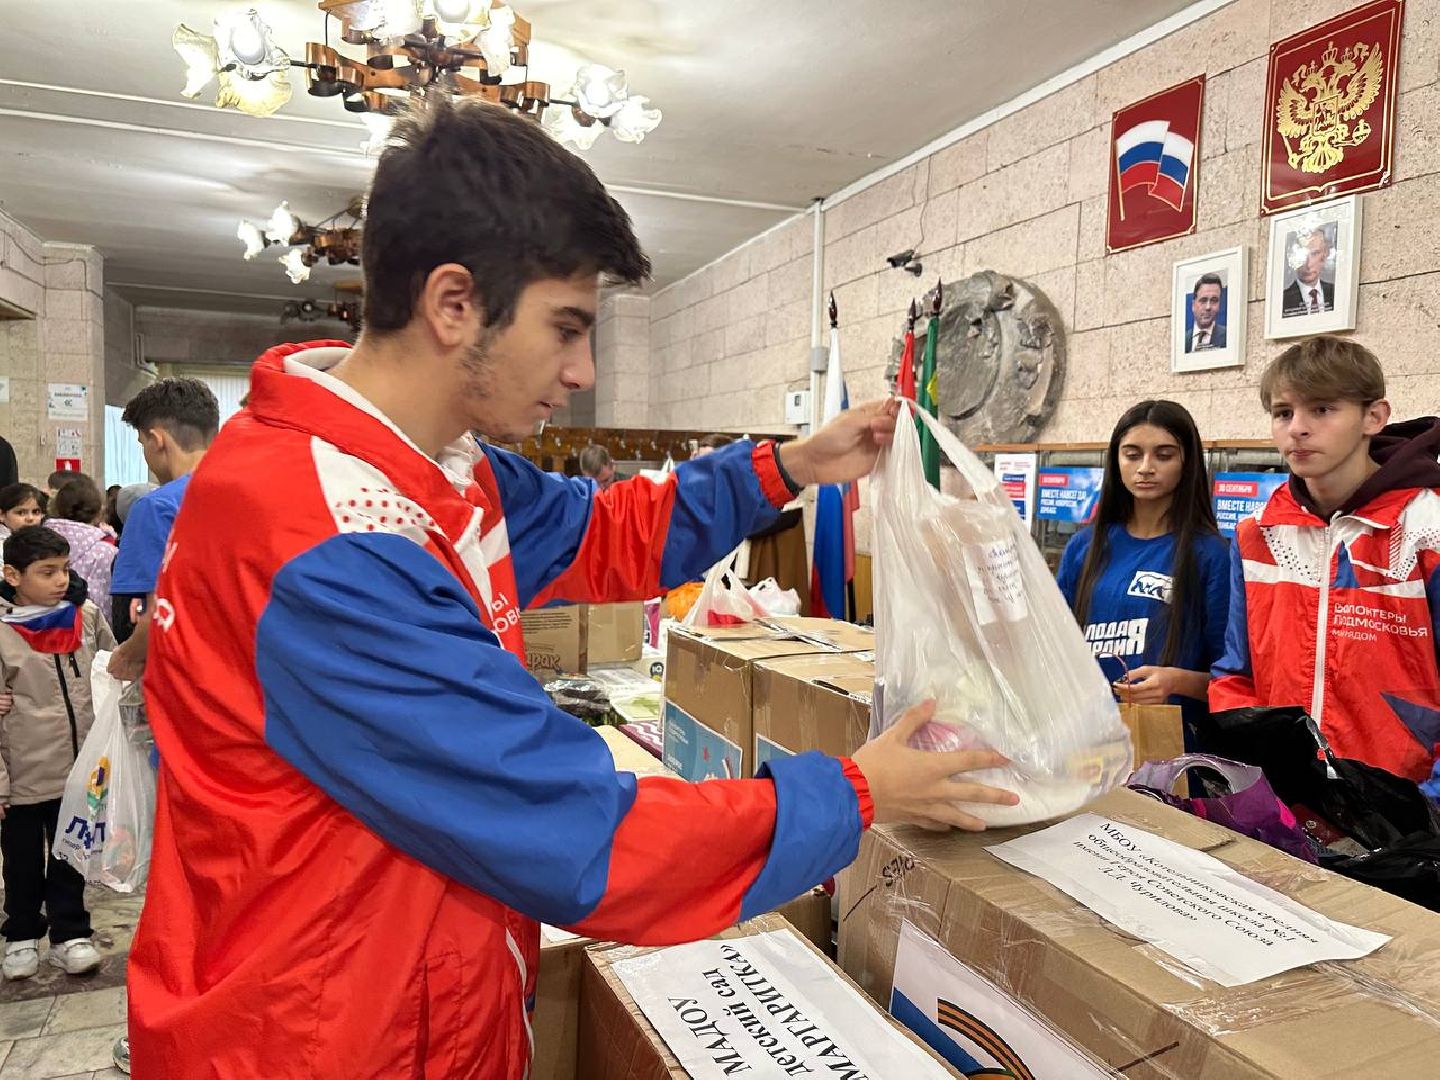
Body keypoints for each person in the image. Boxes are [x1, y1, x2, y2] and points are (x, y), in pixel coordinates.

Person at [125, 96, 1019, 1078]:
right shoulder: (327, 543)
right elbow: (582, 835)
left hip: (407, 980)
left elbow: (603, 530)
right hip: (317, 1032)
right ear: (454, 304)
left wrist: (789, 466)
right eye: (566, 328)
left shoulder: (434, 464)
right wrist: (856, 792)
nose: (585, 370)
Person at [1212, 337, 1440, 783]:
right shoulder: (1256, 532)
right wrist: (1249, 775)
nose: (1297, 428)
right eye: (1283, 413)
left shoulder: (1428, 530)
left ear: (1374, 417)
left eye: (1321, 409)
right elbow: (1236, 673)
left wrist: (1429, 804)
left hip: (1406, 801)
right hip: (1286, 793)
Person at [1057, 400, 1231, 750]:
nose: (1146, 468)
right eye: (1132, 455)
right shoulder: (1084, 546)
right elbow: (1052, 645)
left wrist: (1176, 681)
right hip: (1088, 738)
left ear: (1187, 463)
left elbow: (1233, 680)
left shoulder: (1210, 554)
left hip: (1168, 745)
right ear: (1116, 461)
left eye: (1164, 455)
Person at [0, 526, 116, 980]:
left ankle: (70, 934)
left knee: (71, 854)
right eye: (47, 572)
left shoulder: (84, 615)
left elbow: (111, 663)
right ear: (13, 575)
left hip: (79, 766)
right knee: (22, 861)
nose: (61, 579)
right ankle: (21, 933)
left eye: (64, 569)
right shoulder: (3, 629)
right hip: (23, 772)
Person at [106, 380, 219, 681]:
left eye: (142, 443)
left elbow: (147, 613)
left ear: (157, 440)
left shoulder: (157, 508)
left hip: (183, 674)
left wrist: (127, 655)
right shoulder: (252, 492)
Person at [45, 476, 116, 626]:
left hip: (40, 626)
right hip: (87, 628)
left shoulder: (37, 541)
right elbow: (104, 603)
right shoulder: (106, 552)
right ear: (99, 511)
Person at [1281, 227, 1336, 318]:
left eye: (1314, 254)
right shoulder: (1282, 300)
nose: (1308, 264)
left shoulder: (1335, 293)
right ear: (1291, 257)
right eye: (1301, 255)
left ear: (1325, 254)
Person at [1185, 273, 1226, 352]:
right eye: (1203, 300)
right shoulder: (1183, 339)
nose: (1208, 307)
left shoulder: (1228, 336)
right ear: (1193, 305)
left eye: (1214, 301)